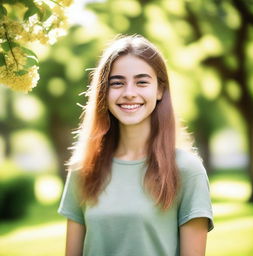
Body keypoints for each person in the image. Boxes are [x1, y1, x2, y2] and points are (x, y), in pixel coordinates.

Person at [58, 34, 214, 256]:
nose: (129, 93)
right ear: (104, 91)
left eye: (142, 82)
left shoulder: (188, 170)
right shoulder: (83, 169)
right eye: (117, 83)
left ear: (159, 90)